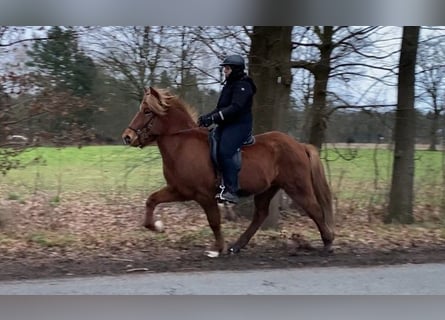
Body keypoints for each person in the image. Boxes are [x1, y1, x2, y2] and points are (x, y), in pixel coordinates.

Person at [198, 54, 257, 204]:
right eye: (225, 68)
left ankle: (232, 190)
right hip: (228, 124)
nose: (224, 71)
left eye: (227, 68)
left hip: (240, 125)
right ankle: (217, 183)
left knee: (225, 150)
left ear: (236, 69)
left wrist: (215, 118)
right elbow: (220, 108)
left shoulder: (244, 86)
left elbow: (235, 108)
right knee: (210, 142)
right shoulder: (229, 85)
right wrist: (206, 117)